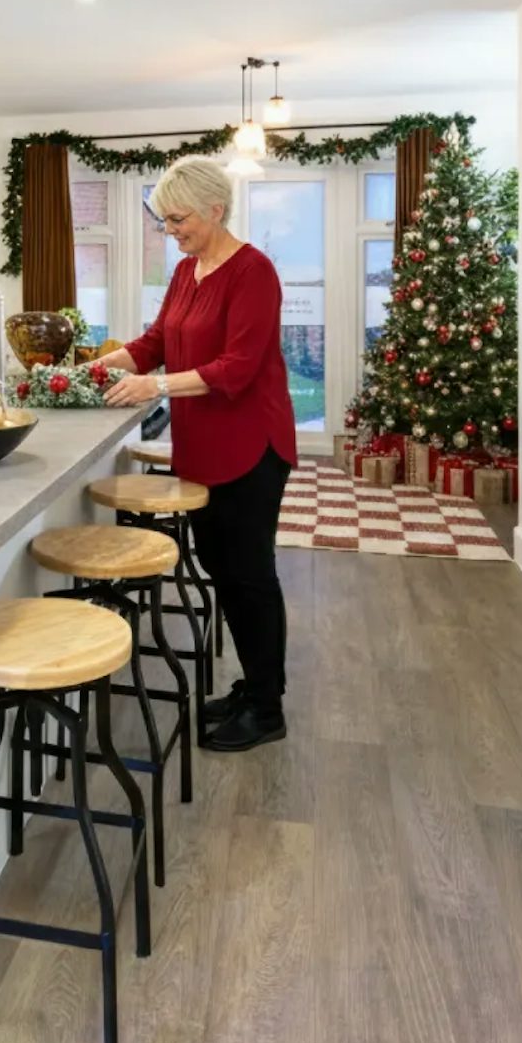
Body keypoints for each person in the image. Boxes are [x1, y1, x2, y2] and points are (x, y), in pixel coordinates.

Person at [95, 157, 298, 751]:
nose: (171, 231)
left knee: (250, 574)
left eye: (177, 219)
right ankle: (256, 684)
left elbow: (238, 367)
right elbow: (157, 341)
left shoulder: (254, 272)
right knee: (219, 567)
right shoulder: (188, 271)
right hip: (204, 443)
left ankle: (267, 709)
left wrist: (155, 385)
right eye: (164, 222)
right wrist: (98, 366)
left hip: (251, 444)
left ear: (215, 208)